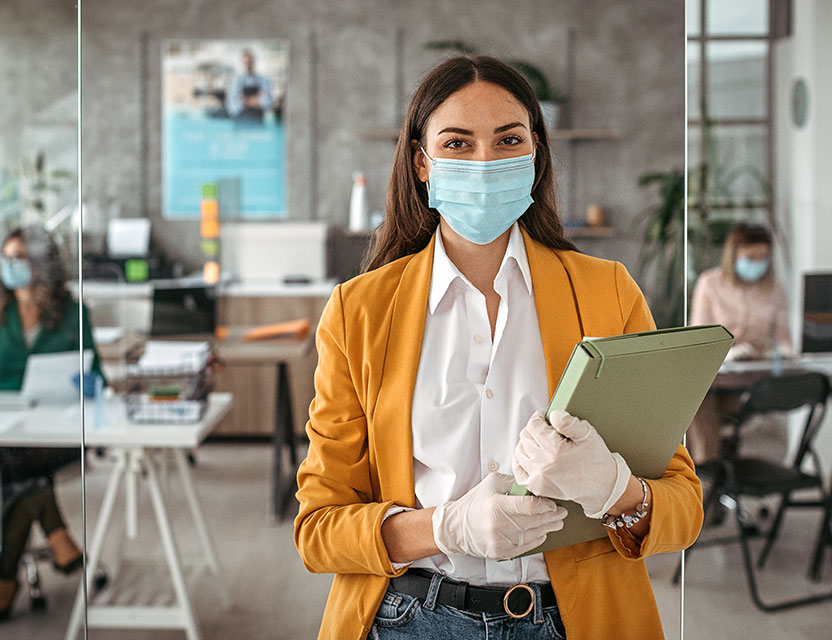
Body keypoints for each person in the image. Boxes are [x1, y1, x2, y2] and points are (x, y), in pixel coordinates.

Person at [294, 56, 703, 639]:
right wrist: (446, 527)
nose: (485, 162)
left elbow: (683, 509)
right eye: (457, 143)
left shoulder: (607, 292)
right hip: (410, 618)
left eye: (508, 139)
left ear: (535, 155)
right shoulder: (358, 311)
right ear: (421, 164)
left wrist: (614, 488)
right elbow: (318, 529)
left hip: (574, 619)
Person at [0, 225, 103, 625]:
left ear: (40, 264)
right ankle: (57, 537)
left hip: (58, 430)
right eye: (5, 257)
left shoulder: (73, 314)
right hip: (1, 428)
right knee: (18, 454)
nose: (8, 265)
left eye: (17, 257)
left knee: (22, 460)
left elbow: (98, 378)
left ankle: (8, 576)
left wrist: (85, 381)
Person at [687, 223, 791, 464]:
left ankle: (706, 482)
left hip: (754, 384)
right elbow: (700, 342)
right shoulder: (710, 283)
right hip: (714, 380)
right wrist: (731, 353)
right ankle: (709, 473)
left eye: (763, 257)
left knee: (694, 413)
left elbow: (785, 342)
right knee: (694, 405)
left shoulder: (774, 288)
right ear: (733, 254)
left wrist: (770, 354)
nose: (757, 263)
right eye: (750, 257)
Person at [225, 49, 273, 123]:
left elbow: (268, 103)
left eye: (250, 62)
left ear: (254, 62)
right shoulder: (235, 81)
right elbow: (232, 107)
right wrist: (256, 98)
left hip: (258, 123)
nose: (248, 65)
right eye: (246, 62)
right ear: (242, 63)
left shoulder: (263, 80)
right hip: (240, 123)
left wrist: (244, 100)